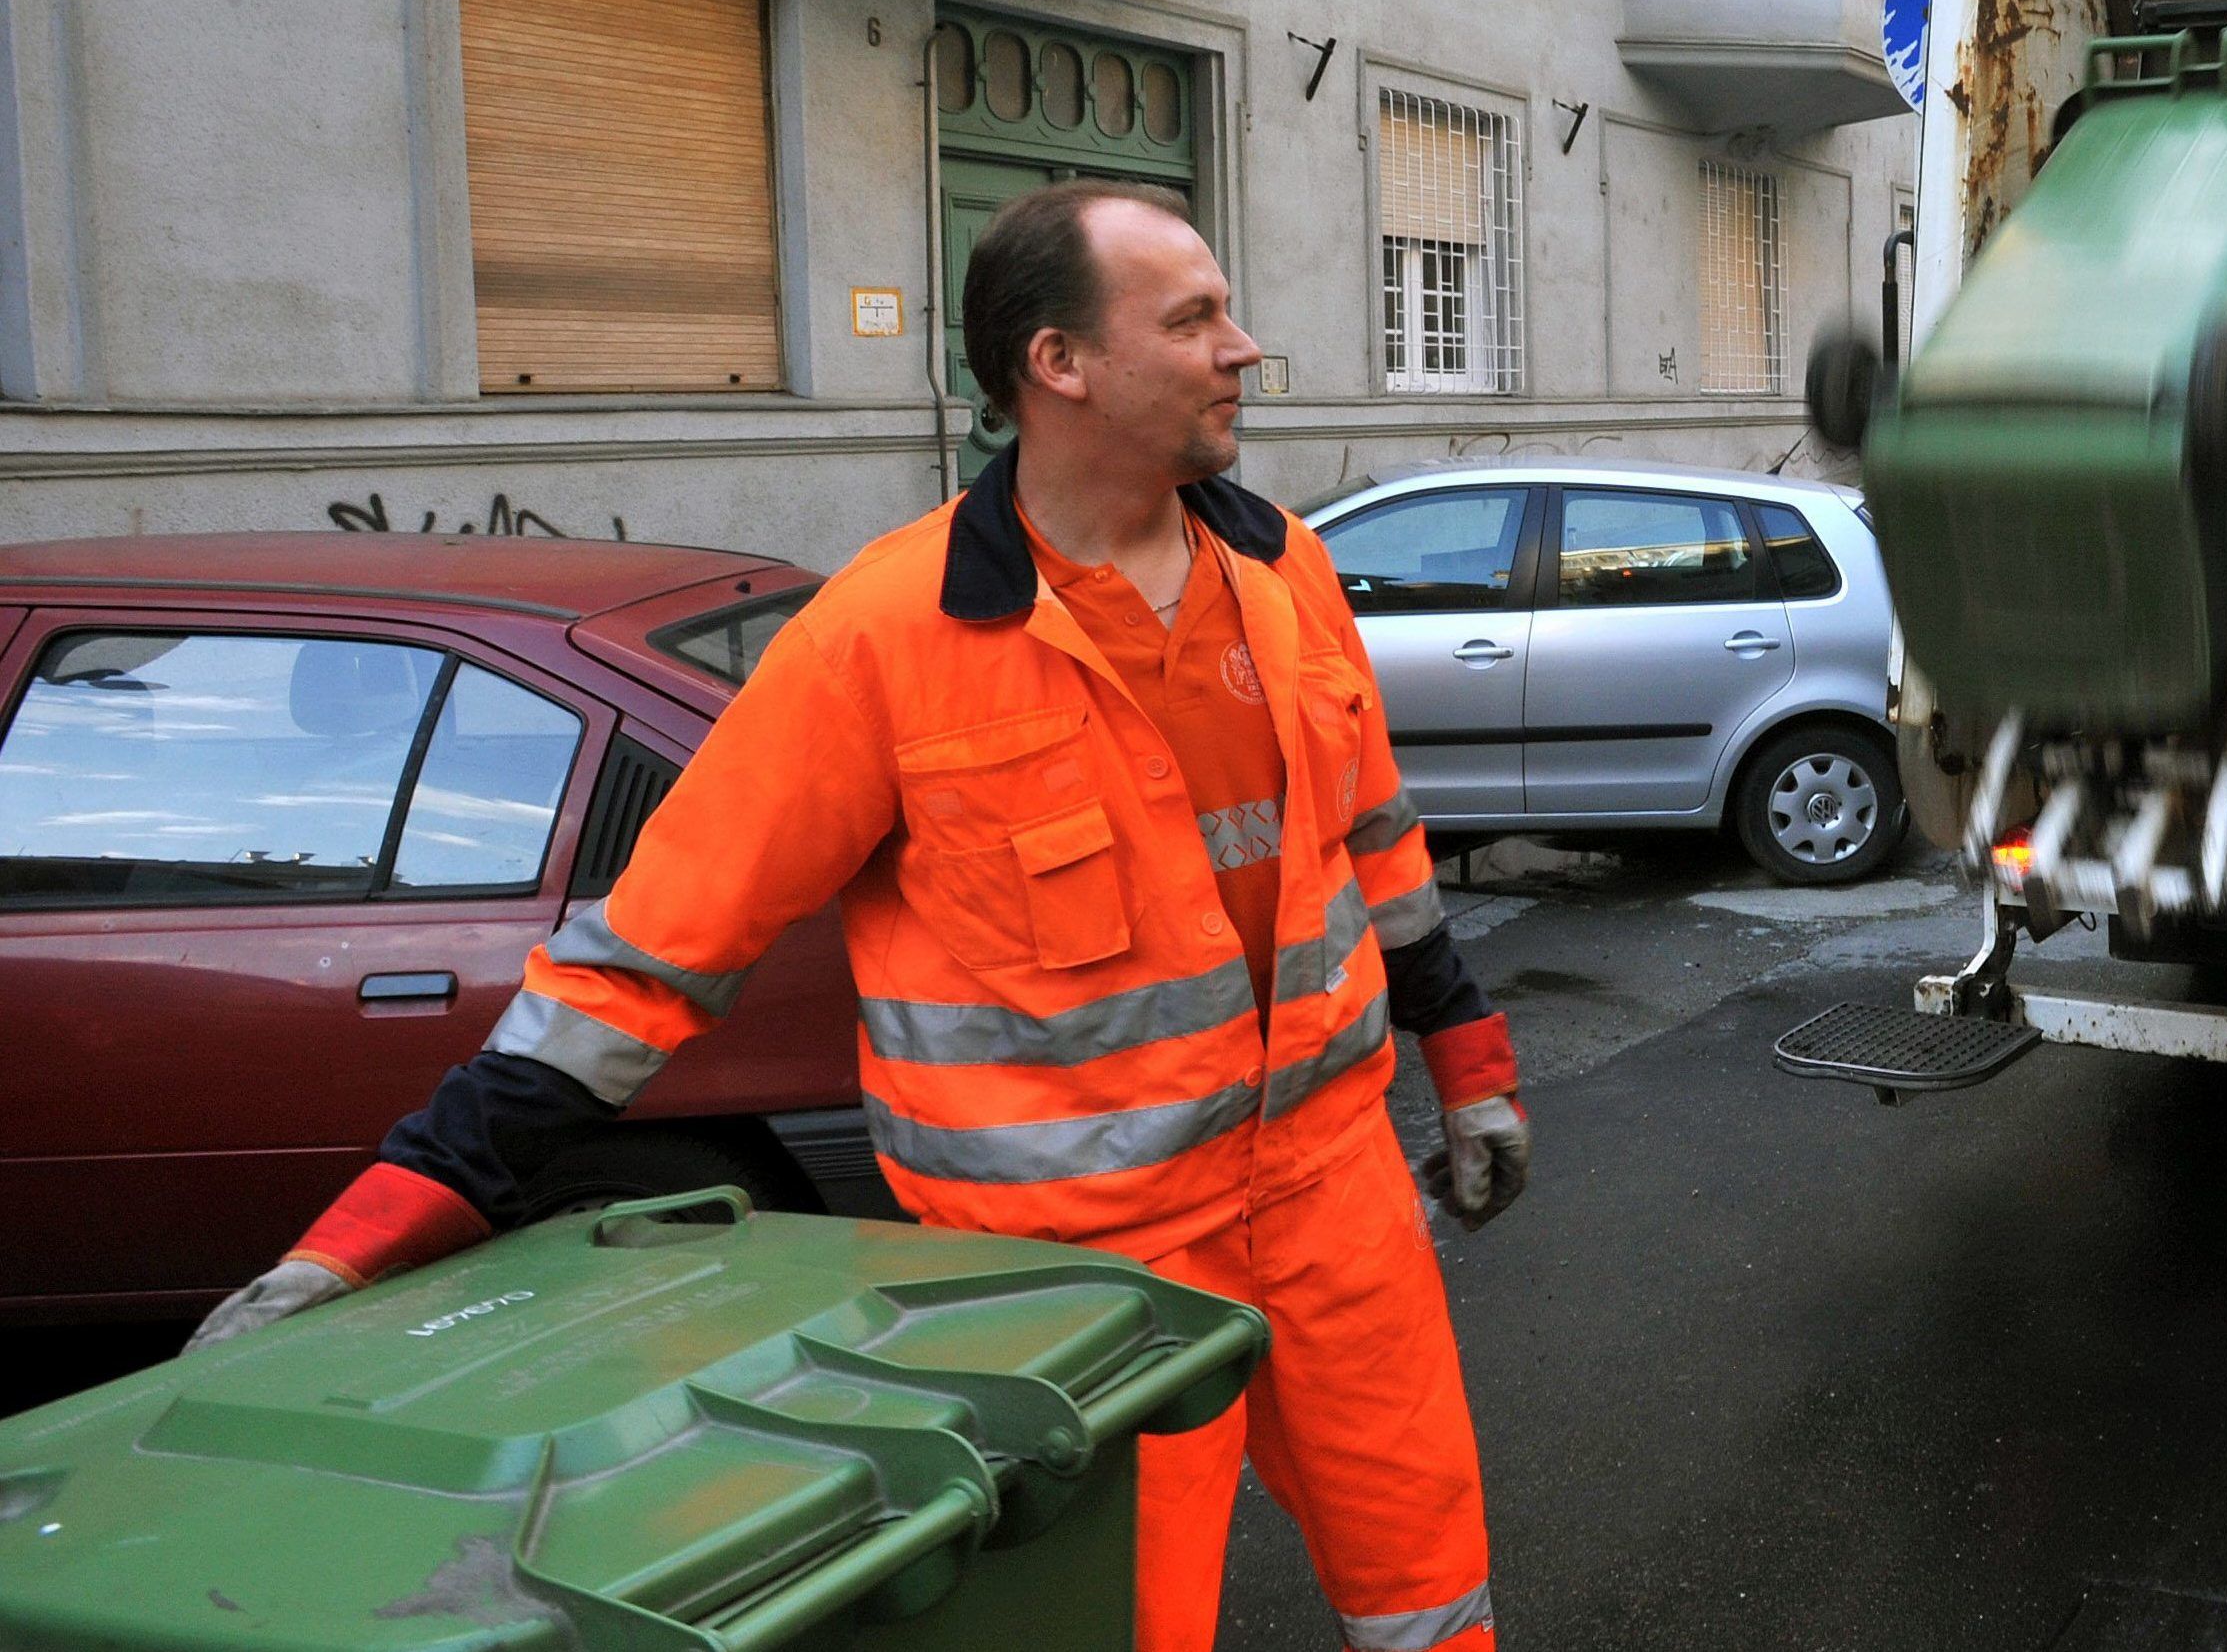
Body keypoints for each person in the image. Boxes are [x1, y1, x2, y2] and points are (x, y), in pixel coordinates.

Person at [192, 179, 1528, 1652]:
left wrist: (1464, 1061)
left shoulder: (1281, 569)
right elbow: (649, 959)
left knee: (1427, 1584)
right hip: (1069, 1275)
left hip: (1335, 1194)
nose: (1245, 347)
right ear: (1057, 364)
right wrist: (369, 1234)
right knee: (1119, 1626)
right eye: (1195, 318)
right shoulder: (885, 641)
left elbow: (1373, 841)